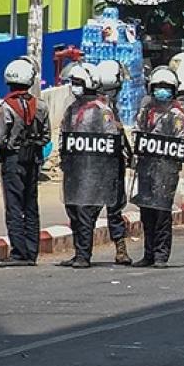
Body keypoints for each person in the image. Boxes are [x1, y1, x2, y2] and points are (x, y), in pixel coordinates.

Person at [58, 63, 125, 269]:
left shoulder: (101, 110)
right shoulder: (72, 109)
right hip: (75, 168)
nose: (74, 87)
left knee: (87, 211)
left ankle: (84, 255)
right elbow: (64, 133)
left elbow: (112, 138)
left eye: (78, 83)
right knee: (74, 210)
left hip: (95, 170)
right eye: (73, 83)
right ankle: (79, 250)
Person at [129, 67, 184, 268]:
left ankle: (161, 255)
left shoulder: (177, 115)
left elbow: (183, 141)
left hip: (167, 171)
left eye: (166, 87)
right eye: (158, 87)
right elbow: (137, 133)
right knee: (146, 212)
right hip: (146, 169)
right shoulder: (146, 111)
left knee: (162, 214)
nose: (162, 91)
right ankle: (148, 254)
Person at [0, 57, 51, 266]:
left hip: (13, 161)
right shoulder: (41, 106)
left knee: (14, 207)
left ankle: (19, 253)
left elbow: (0, 138)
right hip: (33, 159)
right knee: (31, 205)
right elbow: (46, 136)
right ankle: (31, 251)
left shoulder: (6, 107)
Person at [93, 60, 134, 265]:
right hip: (100, 165)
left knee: (111, 208)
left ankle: (119, 248)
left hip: (108, 164)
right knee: (101, 209)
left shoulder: (105, 105)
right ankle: (85, 250)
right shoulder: (97, 108)